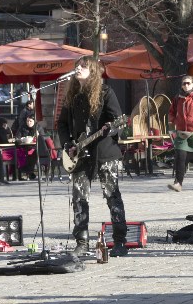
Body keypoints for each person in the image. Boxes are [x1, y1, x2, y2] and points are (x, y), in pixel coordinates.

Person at [57, 56, 129, 258]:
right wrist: (68, 144)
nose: (78, 68)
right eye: (76, 66)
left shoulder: (106, 92)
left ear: (93, 71)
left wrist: (110, 129)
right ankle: (81, 241)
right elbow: (62, 124)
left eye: (83, 66)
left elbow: (118, 120)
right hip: (80, 155)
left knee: (112, 195)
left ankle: (120, 241)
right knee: (79, 197)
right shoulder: (72, 95)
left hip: (105, 152)